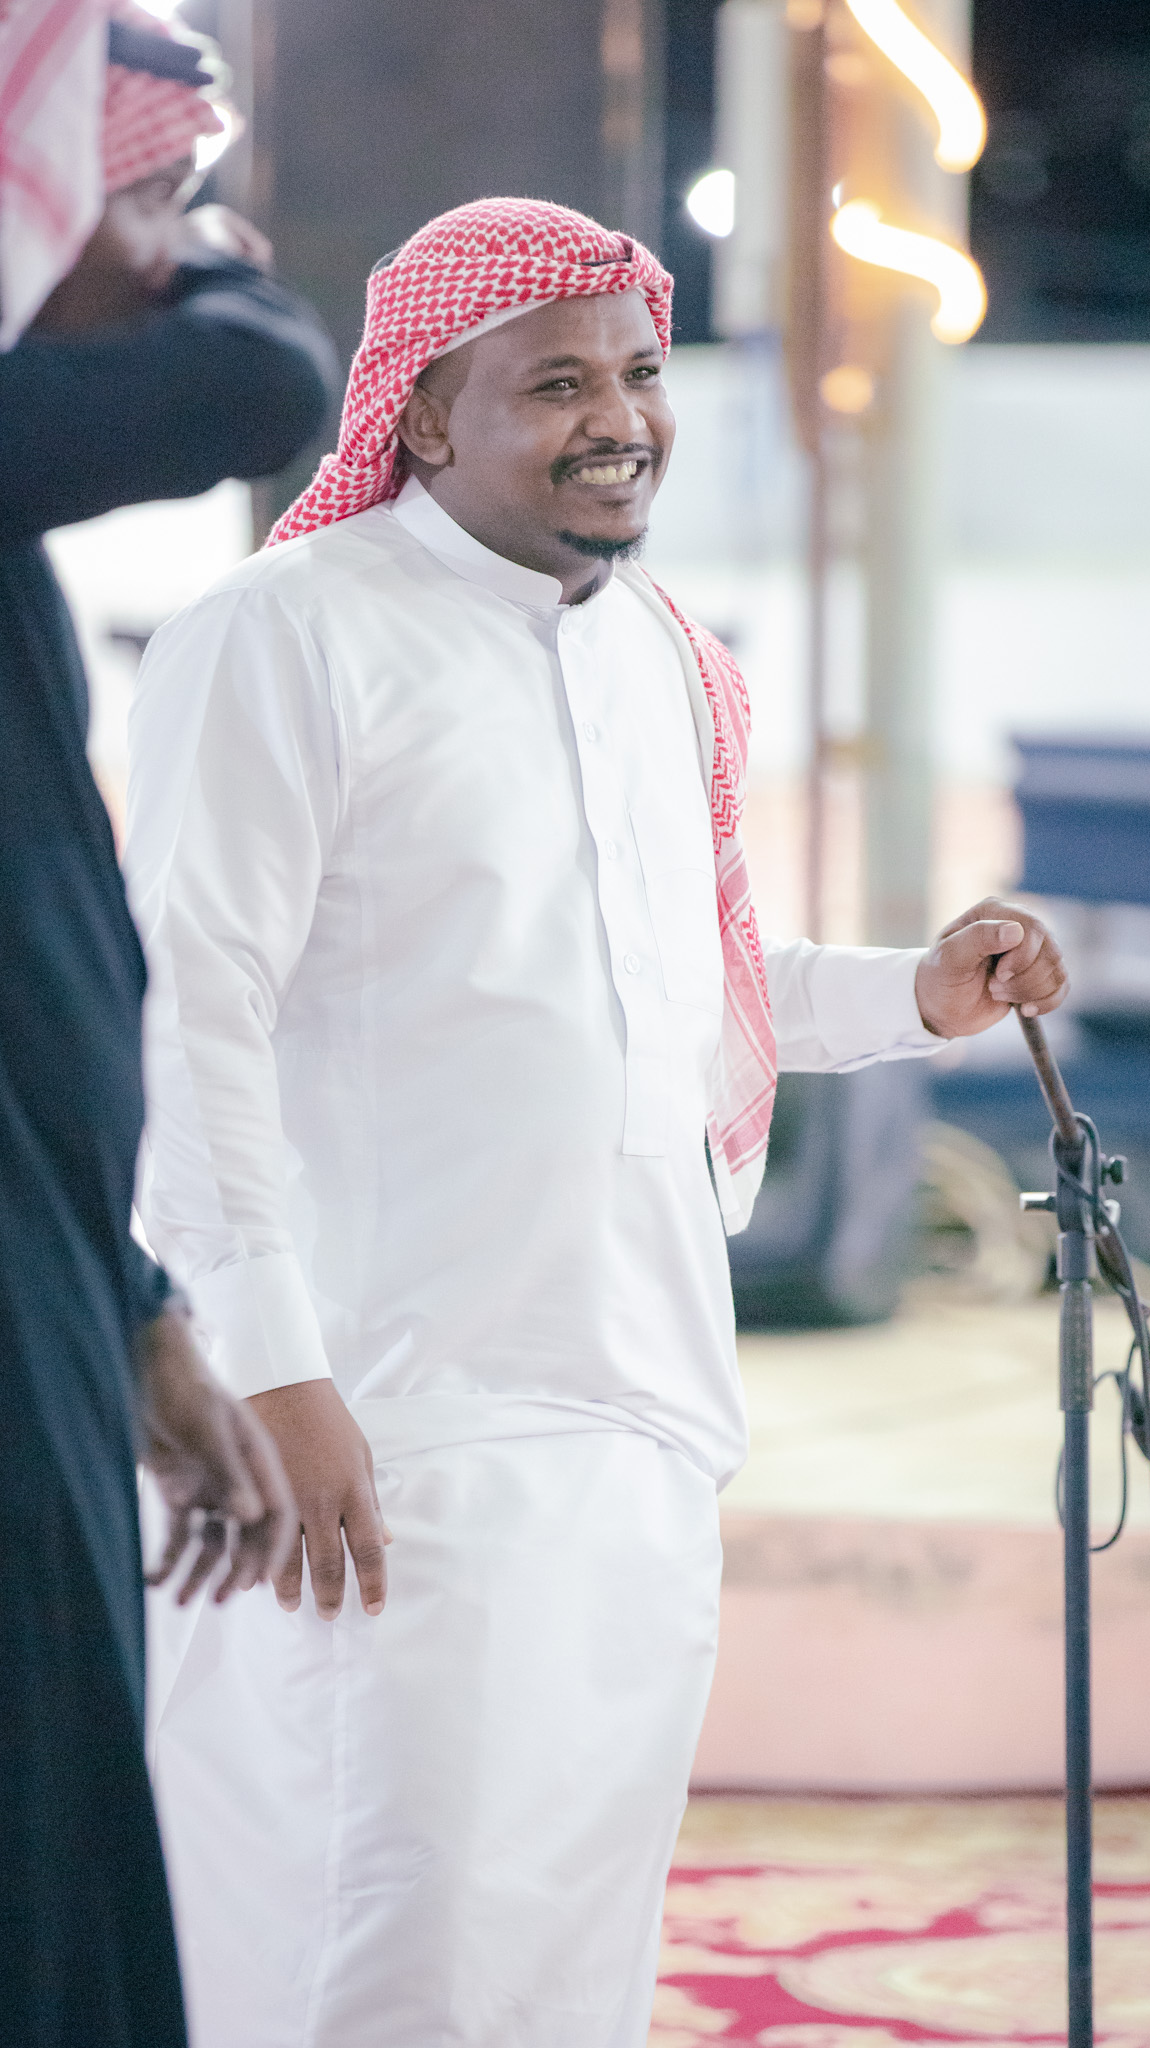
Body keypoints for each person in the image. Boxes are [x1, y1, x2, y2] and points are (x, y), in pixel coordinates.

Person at [126, 197, 1069, 2048]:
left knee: (567, 1948)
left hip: (639, 1411)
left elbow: (677, 989)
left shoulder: (661, 657)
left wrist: (913, 993)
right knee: (370, 1943)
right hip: (386, 1416)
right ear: (419, 412)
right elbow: (188, 1018)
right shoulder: (284, 635)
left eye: (637, 373)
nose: (618, 419)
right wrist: (274, 1369)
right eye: (555, 383)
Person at [0, 11, 338, 2045]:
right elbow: (264, 371)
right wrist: (206, 261)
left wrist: (131, 1318)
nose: (164, 247)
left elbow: (41, 963)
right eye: (133, 193)